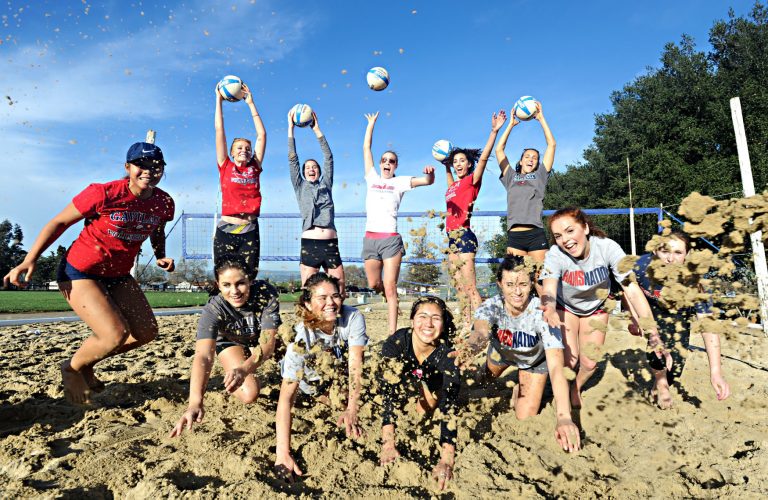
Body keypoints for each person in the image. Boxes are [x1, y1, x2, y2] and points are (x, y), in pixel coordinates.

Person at [3, 142, 175, 404]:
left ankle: (86, 362)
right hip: (81, 270)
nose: (149, 171)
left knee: (146, 332)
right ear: (128, 167)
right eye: (141, 165)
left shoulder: (164, 202)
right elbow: (58, 222)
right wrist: (30, 259)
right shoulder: (104, 193)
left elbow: (157, 229)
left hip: (117, 273)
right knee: (113, 334)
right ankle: (71, 368)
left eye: (156, 166)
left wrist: (160, 254)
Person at [539, 207, 667, 409]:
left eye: (570, 231)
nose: (565, 239)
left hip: (596, 307)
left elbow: (632, 290)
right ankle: (561, 392)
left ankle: (576, 387)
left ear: (586, 228)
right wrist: (549, 307)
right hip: (567, 307)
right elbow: (549, 286)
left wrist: (653, 333)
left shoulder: (608, 248)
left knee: (589, 363)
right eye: (558, 236)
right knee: (569, 363)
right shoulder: (555, 254)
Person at [453, 256, 580, 452]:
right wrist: (469, 349)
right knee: (480, 381)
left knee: (525, 415)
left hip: (533, 362)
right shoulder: (492, 306)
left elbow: (556, 366)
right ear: (500, 284)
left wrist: (564, 417)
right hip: (501, 353)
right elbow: (480, 332)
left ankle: (519, 387)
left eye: (523, 284)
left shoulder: (543, 314)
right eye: (510, 284)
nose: (517, 291)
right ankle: (493, 375)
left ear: (531, 284)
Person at [170, 258, 280, 437]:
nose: (234, 291)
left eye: (240, 284)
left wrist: (244, 369)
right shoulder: (213, 309)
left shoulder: (265, 293)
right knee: (249, 394)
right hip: (231, 341)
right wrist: (195, 403)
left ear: (250, 280)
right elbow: (204, 356)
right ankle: (233, 363)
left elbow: (267, 346)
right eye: (227, 285)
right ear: (218, 285)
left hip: (261, 337)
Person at [274, 273, 367, 482]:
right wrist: (283, 452)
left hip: (338, 374)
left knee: (348, 398)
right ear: (307, 303)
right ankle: (320, 397)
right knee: (331, 397)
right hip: (311, 383)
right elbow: (286, 398)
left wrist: (352, 410)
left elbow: (355, 366)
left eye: (335, 296)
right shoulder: (301, 338)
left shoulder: (352, 317)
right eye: (322, 298)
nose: (331, 303)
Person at [630, 230, 730, 408]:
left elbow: (708, 326)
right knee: (657, 350)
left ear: (687, 255)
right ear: (654, 251)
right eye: (664, 251)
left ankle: (663, 380)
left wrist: (716, 372)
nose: (670, 259)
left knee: (675, 366)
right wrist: (634, 317)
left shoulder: (694, 280)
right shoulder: (640, 266)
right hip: (650, 308)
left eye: (678, 253)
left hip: (679, 312)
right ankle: (661, 383)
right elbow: (626, 291)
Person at [362, 112, 435, 334]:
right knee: (375, 284)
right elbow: (366, 149)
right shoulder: (372, 177)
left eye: (391, 161)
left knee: (391, 287)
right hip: (370, 239)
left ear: (396, 166)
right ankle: (386, 296)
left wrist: (430, 175)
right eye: (384, 160)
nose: (386, 163)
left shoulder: (400, 182)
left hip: (391, 240)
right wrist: (371, 125)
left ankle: (391, 335)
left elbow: (426, 181)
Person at [379, 296, 460, 492]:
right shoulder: (396, 343)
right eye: (422, 316)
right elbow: (389, 393)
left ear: (443, 323)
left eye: (436, 318)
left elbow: (450, 404)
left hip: (433, 377)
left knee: (426, 409)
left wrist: (447, 458)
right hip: (407, 377)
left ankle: (429, 391)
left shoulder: (447, 352)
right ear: (412, 321)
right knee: (395, 391)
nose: (428, 324)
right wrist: (388, 443)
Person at [441, 110, 507, 326]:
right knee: (459, 289)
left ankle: (483, 327)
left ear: (469, 164)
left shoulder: (472, 180)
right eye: (456, 161)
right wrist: (446, 166)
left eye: (462, 161)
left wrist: (493, 131)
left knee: (470, 288)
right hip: (451, 238)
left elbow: (485, 157)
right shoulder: (453, 185)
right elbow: (450, 187)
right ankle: (467, 325)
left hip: (464, 236)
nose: (459, 164)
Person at [287, 108, 345, 295]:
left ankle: (337, 323)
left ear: (319, 171)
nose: (311, 169)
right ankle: (309, 324)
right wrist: (291, 129)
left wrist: (316, 130)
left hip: (330, 244)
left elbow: (328, 158)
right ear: (303, 173)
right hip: (310, 244)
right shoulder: (300, 186)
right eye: (308, 167)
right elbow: (292, 159)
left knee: (339, 286)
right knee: (307, 291)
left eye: (314, 167)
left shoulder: (326, 185)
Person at [214, 82, 266, 278]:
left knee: (248, 279)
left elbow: (262, 135)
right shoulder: (225, 165)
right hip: (226, 230)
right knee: (223, 278)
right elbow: (220, 130)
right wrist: (218, 100)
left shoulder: (255, 166)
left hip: (250, 229)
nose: (244, 150)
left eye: (247, 148)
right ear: (231, 152)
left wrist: (250, 104)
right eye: (239, 148)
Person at [495, 101, 556, 262]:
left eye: (534, 158)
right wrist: (510, 125)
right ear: (521, 161)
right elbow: (499, 150)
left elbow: (551, 145)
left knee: (541, 282)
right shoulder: (510, 176)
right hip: (515, 236)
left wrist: (541, 119)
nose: (531, 159)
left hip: (536, 234)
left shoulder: (540, 176)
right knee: (517, 281)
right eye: (527, 157)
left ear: (537, 163)